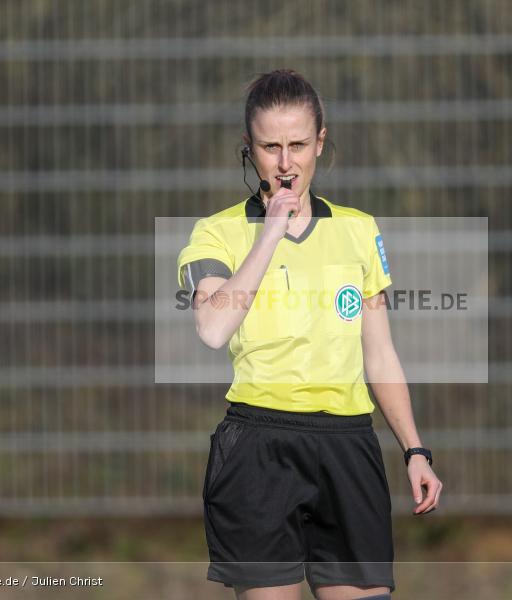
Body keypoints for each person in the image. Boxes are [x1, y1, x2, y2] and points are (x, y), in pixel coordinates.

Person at [177, 69, 443, 600]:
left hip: (347, 446)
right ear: (249, 148)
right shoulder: (216, 232)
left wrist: (415, 449)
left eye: (297, 145)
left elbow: (379, 353)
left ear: (320, 142)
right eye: (269, 147)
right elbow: (212, 328)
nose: (285, 163)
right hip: (259, 447)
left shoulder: (358, 229)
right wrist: (270, 232)